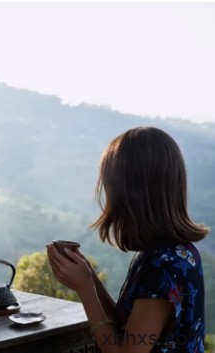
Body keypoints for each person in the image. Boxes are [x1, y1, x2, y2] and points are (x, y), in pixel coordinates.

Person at [47, 126, 208, 353]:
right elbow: (128, 330)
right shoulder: (176, 253)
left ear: (129, 190)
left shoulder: (163, 265)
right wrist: (90, 279)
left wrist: (84, 289)